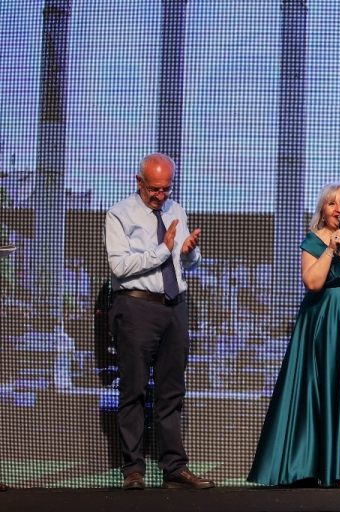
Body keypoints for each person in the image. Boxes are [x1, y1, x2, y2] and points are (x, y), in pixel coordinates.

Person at [247, 182, 340, 488]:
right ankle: (331, 470)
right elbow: (312, 283)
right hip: (322, 326)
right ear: (322, 211)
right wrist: (330, 250)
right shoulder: (314, 241)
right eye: (331, 203)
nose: (339, 208)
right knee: (324, 391)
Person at [104, 153, 214, 491]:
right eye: (155, 189)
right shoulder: (119, 214)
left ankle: (174, 467)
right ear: (139, 182)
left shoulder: (176, 210)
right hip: (136, 307)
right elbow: (120, 266)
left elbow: (188, 264)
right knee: (133, 389)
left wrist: (189, 251)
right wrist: (164, 251)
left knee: (172, 391)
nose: (161, 196)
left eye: (166, 189)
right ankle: (133, 470)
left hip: (174, 307)